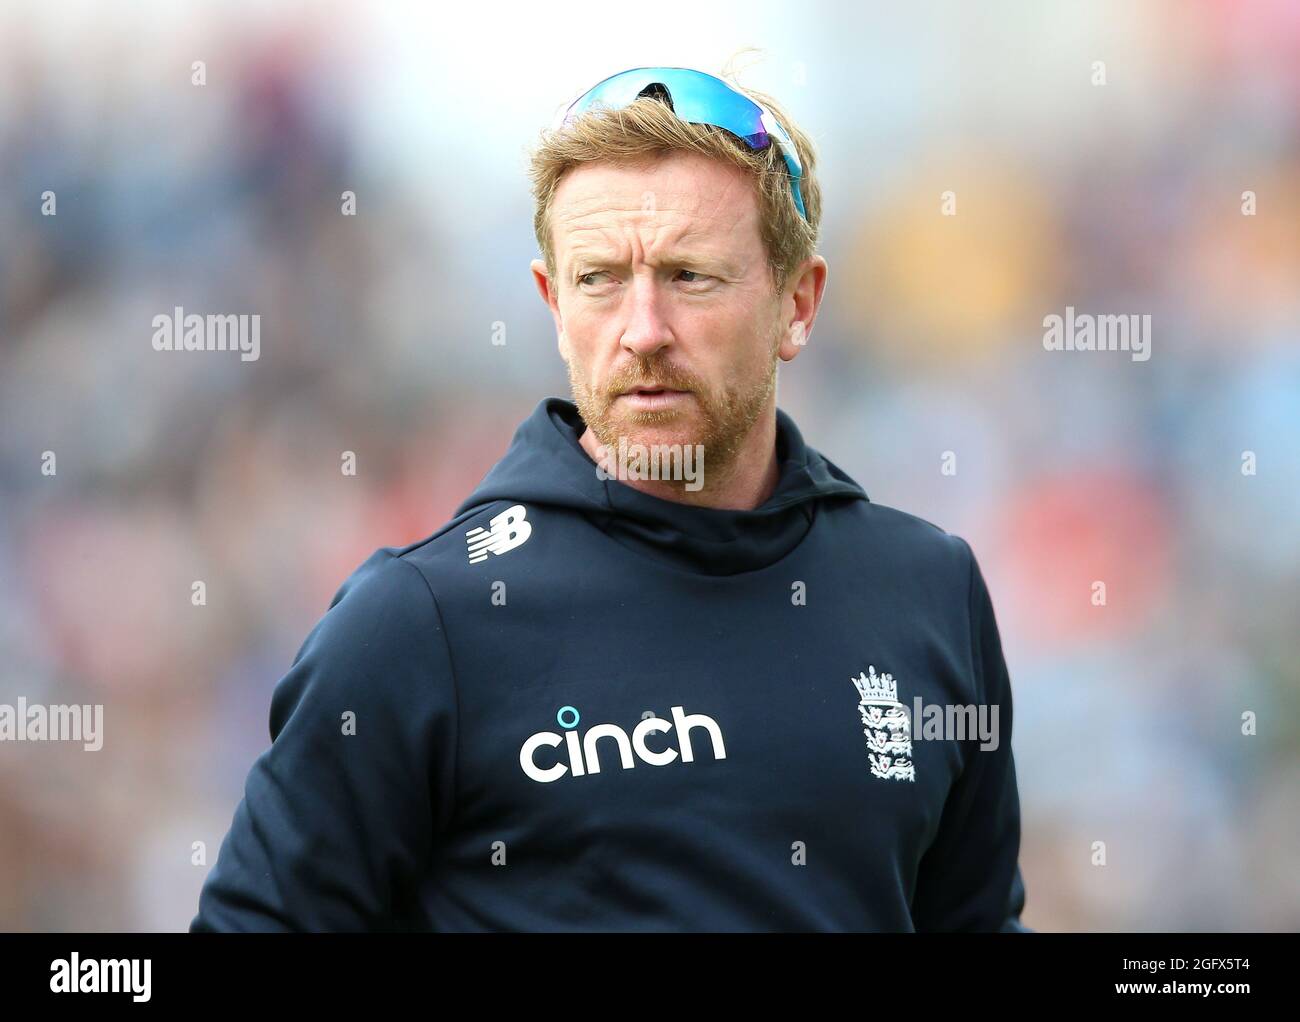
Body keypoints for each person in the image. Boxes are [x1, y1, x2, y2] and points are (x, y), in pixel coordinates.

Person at [191, 66, 1030, 932]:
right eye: (598, 280)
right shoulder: (419, 623)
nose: (642, 332)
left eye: (691, 276)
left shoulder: (928, 589)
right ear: (554, 305)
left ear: (798, 303)